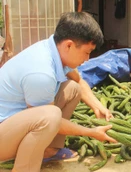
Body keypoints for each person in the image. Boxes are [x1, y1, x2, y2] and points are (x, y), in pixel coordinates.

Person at [0, 12, 117, 172]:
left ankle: (49, 150)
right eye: (87, 52)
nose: (88, 59)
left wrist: (97, 107)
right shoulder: (41, 72)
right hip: (3, 134)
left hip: (14, 121)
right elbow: (50, 120)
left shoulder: (54, 50)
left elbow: (78, 81)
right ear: (69, 45)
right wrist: (90, 132)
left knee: (72, 89)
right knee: (50, 116)